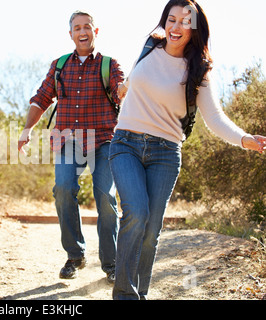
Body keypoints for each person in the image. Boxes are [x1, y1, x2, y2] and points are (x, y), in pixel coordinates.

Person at [109, 0, 266, 300]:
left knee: (151, 230)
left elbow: (215, 118)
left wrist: (245, 139)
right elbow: (134, 79)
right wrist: (125, 89)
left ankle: (138, 293)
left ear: (195, 29)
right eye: (171, 19)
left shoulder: (198, 71)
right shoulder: (149, 46)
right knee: (136, 213)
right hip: (126, 143)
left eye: (184, 20)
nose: (175, 26)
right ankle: (124, 296)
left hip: (165, 153)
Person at [18, 11, 124, 283]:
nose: (82, 31)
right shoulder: (59, 65)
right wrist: (27, 128)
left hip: (103, 140)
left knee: (106, 198)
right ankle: (75, 256)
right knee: (63, 189)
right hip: (68, 140)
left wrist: (125, 88)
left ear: (95, 31)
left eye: (87, 26)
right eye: (77, 27)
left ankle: (112, 264)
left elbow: (120, 91)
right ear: (71, 34)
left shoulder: (109, 65)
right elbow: (41, 98)